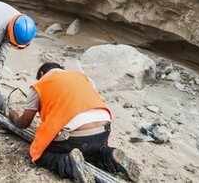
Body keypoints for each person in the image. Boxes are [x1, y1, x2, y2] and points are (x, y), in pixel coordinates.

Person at [8, 62, 140, 183]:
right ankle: (109, 155)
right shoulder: (82, 77)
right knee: (90, 150)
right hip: (104, 130)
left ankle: (68, 163)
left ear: (42, 74)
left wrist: (14, 116)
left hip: (76, 136)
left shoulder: (40, 84)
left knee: (40, 155)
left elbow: (24, 123)